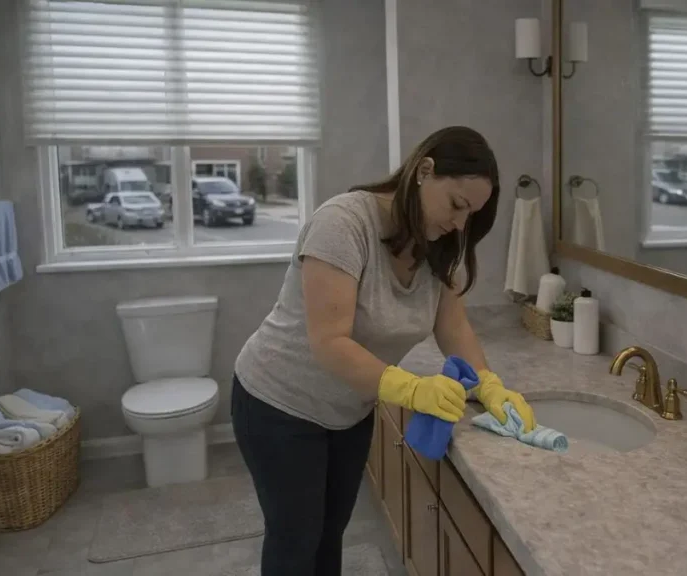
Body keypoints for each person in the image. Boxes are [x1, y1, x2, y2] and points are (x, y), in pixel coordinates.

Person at [230, 126, 537, 575]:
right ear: (424, 170)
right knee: (295, 540)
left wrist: (489, 385)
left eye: (470, 214)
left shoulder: (440, 247)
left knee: (329, 533)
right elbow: (329, 342)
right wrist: (410, 389)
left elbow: (453, 326)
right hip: (278, 403)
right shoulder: (343, 224)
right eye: (456, 204)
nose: (459, 223)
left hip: (348, 411)